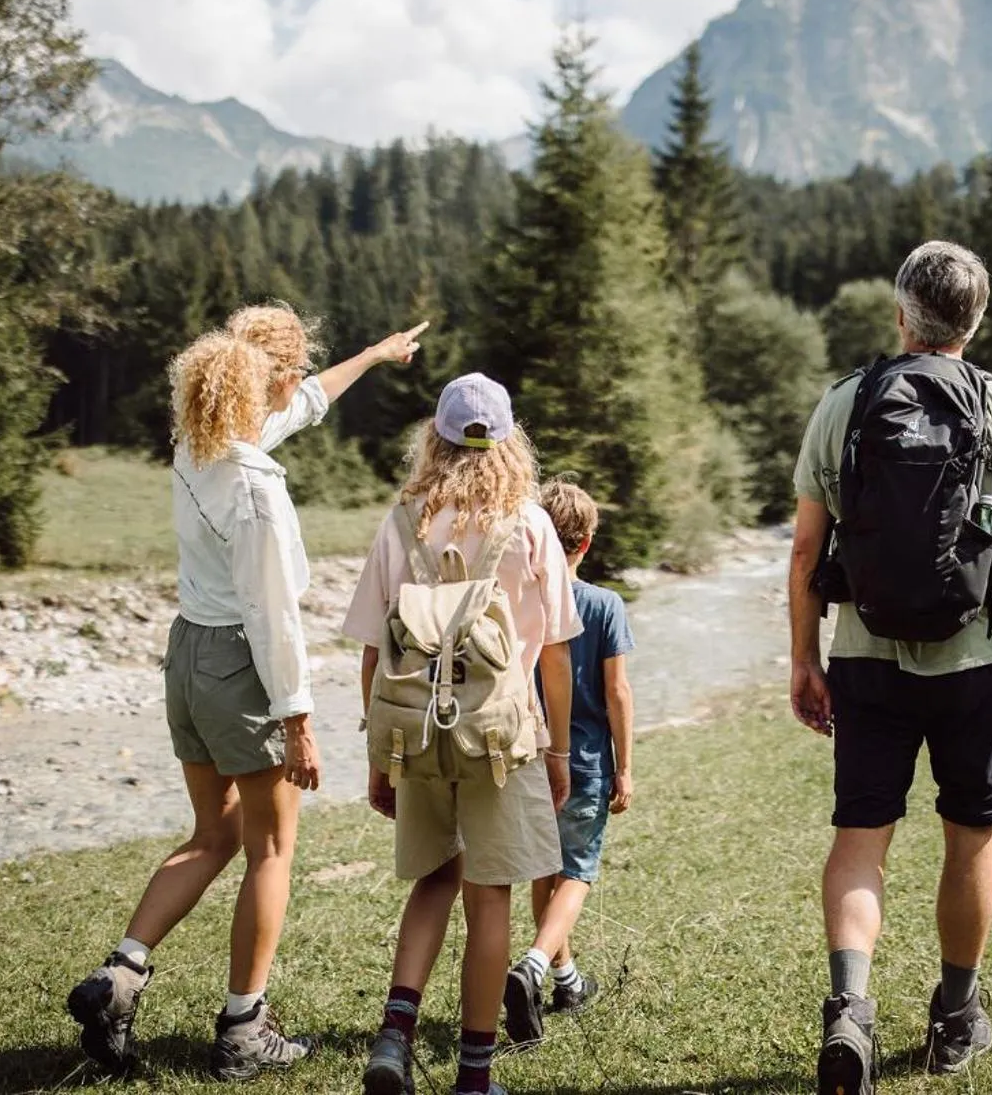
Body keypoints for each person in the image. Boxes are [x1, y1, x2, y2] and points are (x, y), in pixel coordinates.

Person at [65, 306, 425, 1081]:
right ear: (270, 383)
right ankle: (243, 1027)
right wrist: (298, 719)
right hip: (242, 660)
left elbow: (302, 403)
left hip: (189, 653)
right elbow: (273, 617)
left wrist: (371, 355)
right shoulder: (258, 491)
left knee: (212, 833)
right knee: (270, 848)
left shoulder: (199, 446)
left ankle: (120, 976)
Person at [786, 241, 992, 1093]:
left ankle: (850, 1007)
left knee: (861, 840)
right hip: (976, 660)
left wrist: (804, 657)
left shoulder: (844, 404)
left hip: (865, 656)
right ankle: (954, 1015)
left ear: (901, 314)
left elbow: (806, 549)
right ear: (974, 320)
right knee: (968, 835)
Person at [344, 373, 580, 1095]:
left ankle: (394, 1036)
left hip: (415, 729)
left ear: (435, 438)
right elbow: (559, 652)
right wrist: (560, 749)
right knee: (490, 895)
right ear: (510, 441)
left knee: (432, 878)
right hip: (502, 737)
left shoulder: (404, 518)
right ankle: (474, 1078)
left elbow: (372, 650)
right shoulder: (531, 523)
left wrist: (378, 757)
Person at [502, 478, 635, 1048]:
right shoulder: (604, 605)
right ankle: (534, 964)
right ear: (585, 543)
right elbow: (618, 694)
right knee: (577, 872)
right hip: (581, 761)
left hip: (527, 756)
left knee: (543, 870)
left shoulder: (518, 603)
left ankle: (566, 978)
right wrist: (624, 767)